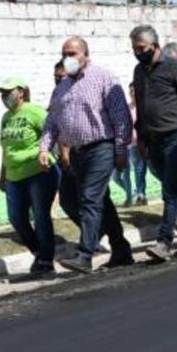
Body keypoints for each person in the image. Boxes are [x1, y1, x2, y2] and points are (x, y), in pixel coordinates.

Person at [40, 36, 135, 274]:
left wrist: (121, 149)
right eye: (64, 53)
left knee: (90, 199)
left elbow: (121, 116)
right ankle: (121, 249)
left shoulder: (103, 77)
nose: (67, 58)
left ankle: (85, 255)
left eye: (72, 53)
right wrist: (44, 148)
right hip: (77, 152)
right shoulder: (61, 88)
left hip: (101, 146)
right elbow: (52, 122)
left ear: (85, 54)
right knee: (99, 200)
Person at [130, 30, 177, 262]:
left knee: (170, 191)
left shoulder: (175, 67)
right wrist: (141, 137)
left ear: (155, 45)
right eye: (134, 48)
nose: (138, 53)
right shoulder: (139, 71)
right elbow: (142, 107)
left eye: (142, 48)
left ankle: (164, 242)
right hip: (153, 140)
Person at [0, 77, 60, 275]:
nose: (5, 97)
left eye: (9, 92)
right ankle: (39, 253)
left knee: (41, 217)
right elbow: (6, 148)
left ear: (21, 92)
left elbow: (54, 132)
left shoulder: (35, 112)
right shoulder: (6, 118)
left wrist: (47, 153)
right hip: (13, 176)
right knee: (16, 218)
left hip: (38, 172)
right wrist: (2, 173)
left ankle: (46, 260)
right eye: (3, 94)